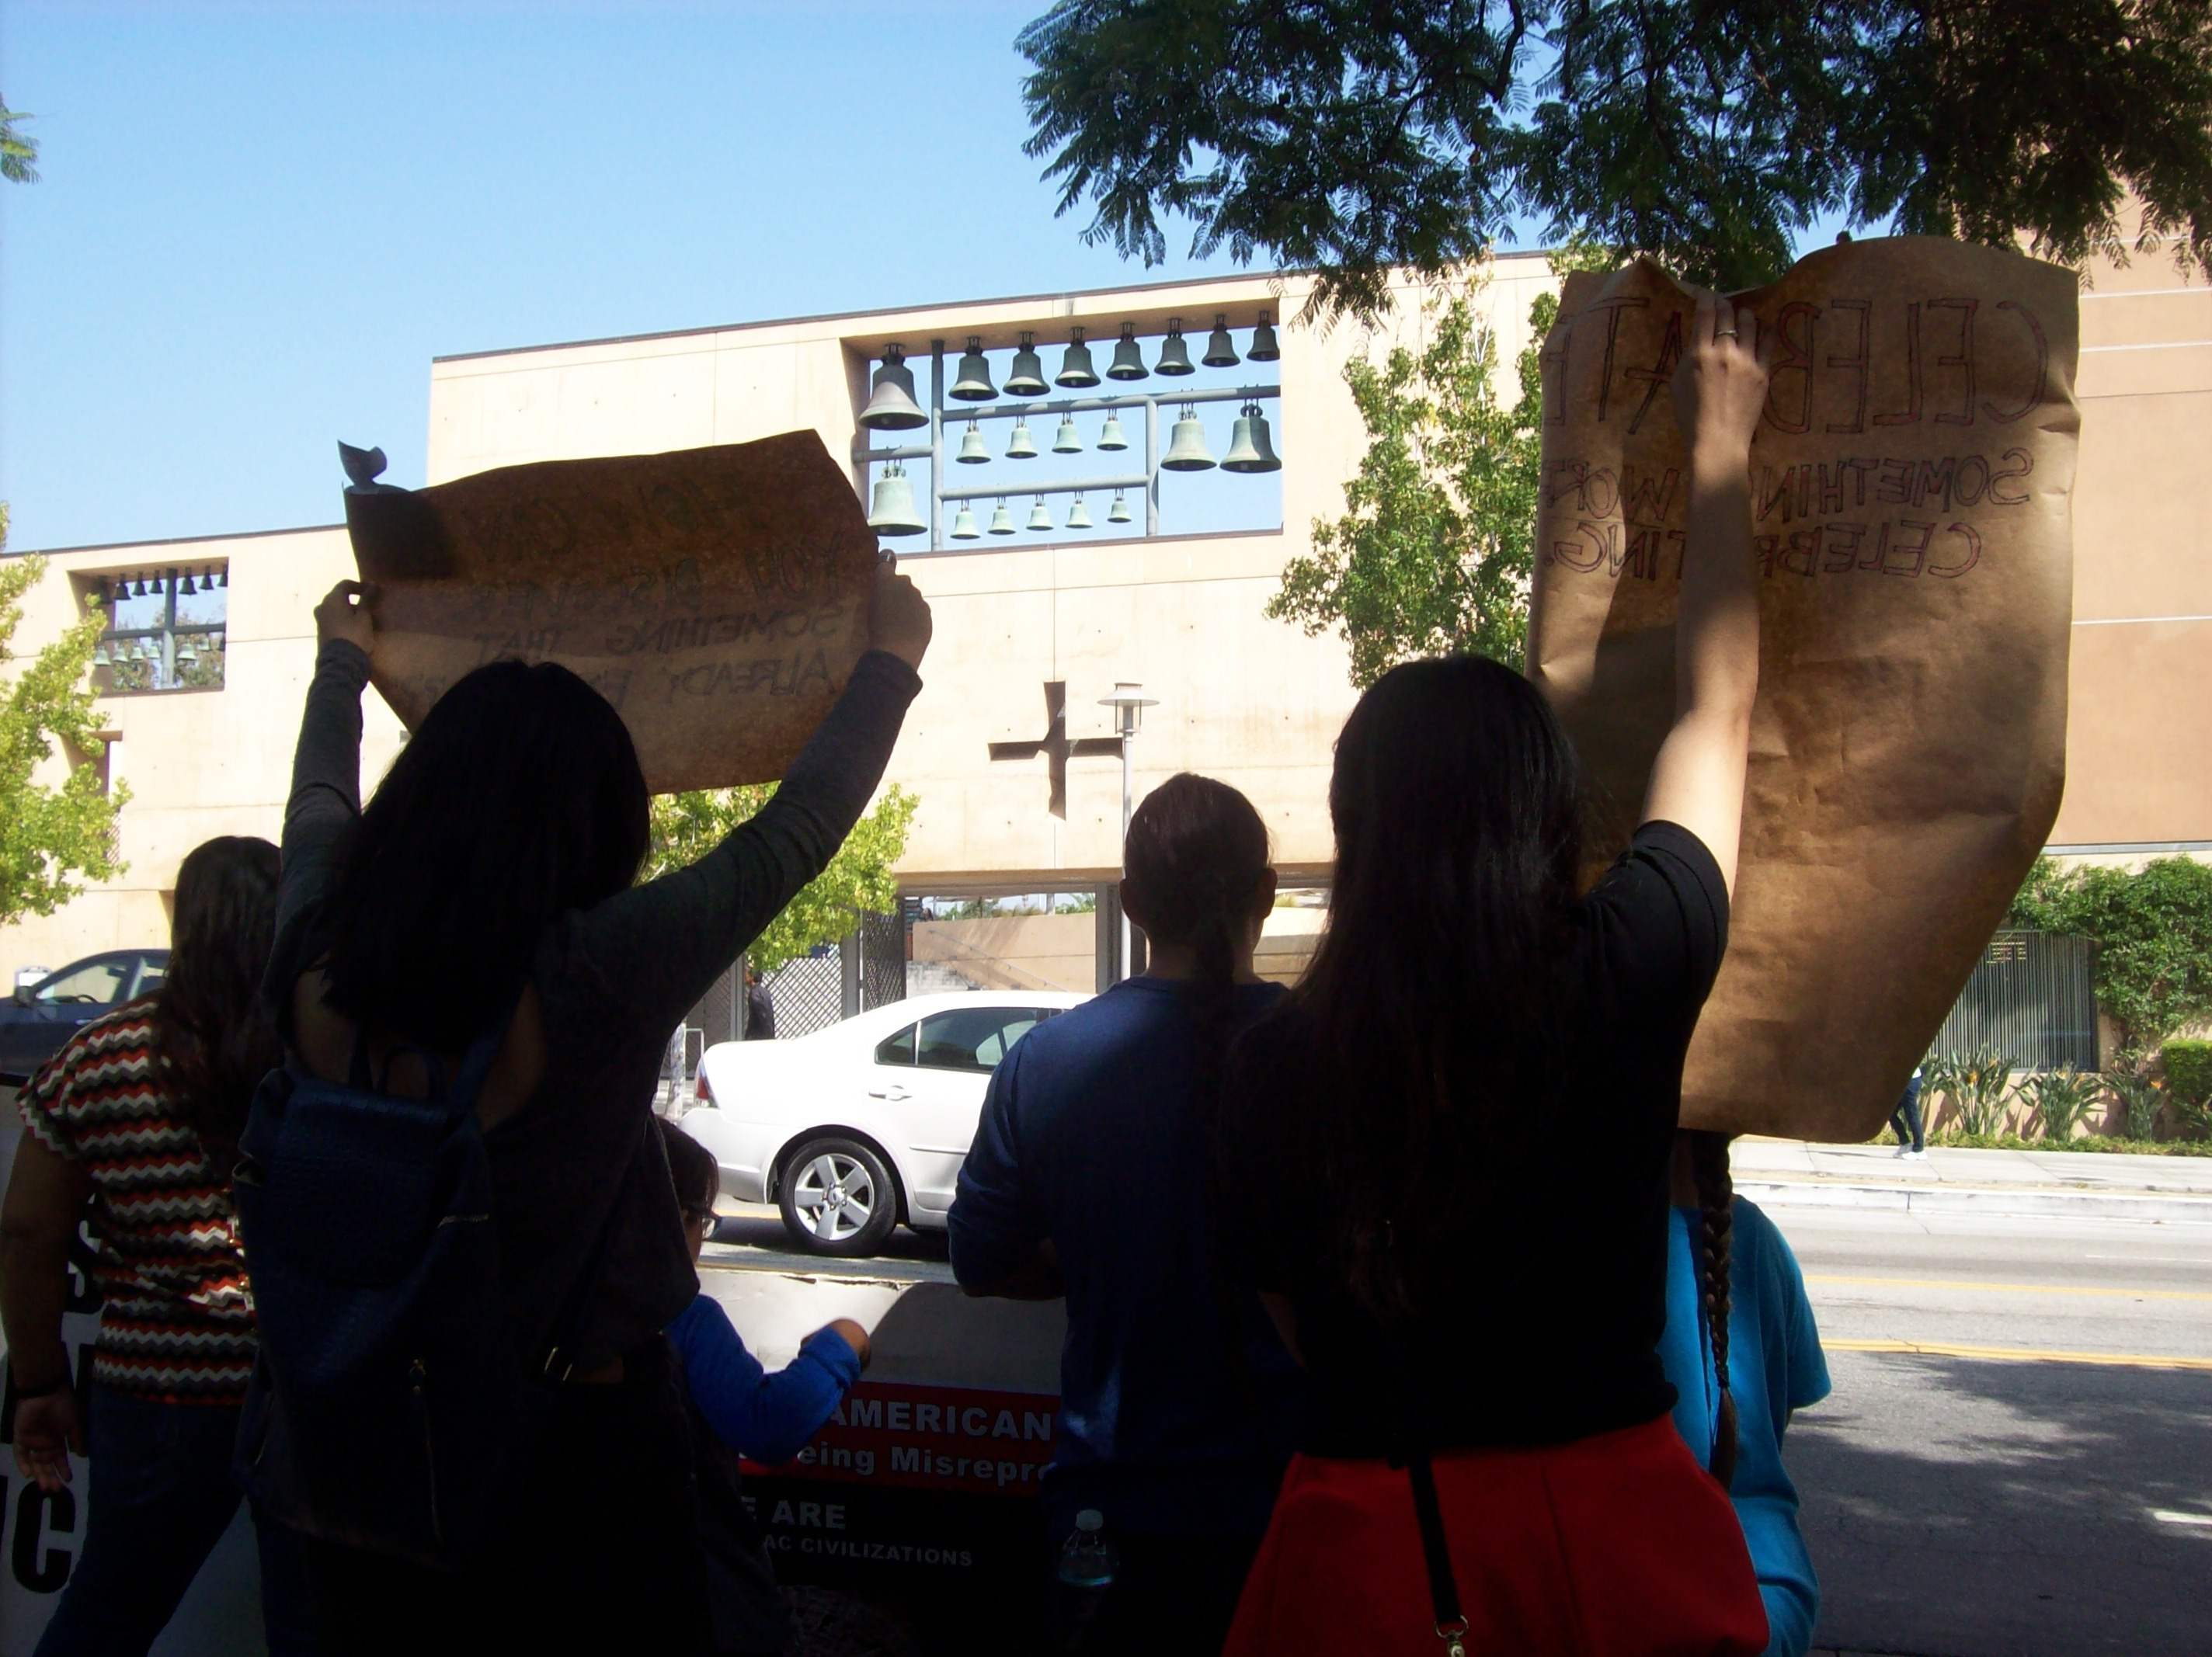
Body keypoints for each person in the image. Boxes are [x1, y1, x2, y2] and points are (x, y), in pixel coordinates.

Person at [1216, 292, 1774, 1656]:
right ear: (1545, 808)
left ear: (1359, 822)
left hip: (1371, 1557)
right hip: (1614, 1537)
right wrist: (1721, 442)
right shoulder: (1627, 960)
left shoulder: (1275, 1058)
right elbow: (1720, 706)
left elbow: (1289, 1314)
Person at [259, 559, 930, 1649]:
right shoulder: (593, 974)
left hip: (345, 1464)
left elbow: (318, 806)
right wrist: (891, 660)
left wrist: (341, 665)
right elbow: (791, 835)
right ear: (596, 823)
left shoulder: (313, 951)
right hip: (571, 1475)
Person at [949, 773, 1306, 1655]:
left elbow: (980, 1260)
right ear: (1266, 891)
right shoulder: (1332, 1052)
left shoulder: (1044, 1063)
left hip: (1109, 1508)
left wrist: (1098, 1259)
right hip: (1297, 1508)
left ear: (1131, 903)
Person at [1, 835, 316, 1655]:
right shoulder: (319, 1060)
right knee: (313, 1627)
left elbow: (29, 1230)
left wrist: (37, 1381)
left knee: (107, 1614)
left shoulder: (100, 1056)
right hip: (304, 1386)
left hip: (156, 1394)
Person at [658, 1118, 871, 1655]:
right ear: (677, 1220)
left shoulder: (551, 1309)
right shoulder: (685, 1321)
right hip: (706, 1594)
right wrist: (843, 1345)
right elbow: (769, 1426)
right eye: (701, 1221)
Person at [1661, 1131, 1833, 1657]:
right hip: (1774, 1593)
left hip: (1659, 1600)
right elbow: (1786, 1404)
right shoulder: (1757, 1236)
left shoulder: (1580, 1247)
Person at [1890, 1062, 1927, 1159]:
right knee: (1890, 1113)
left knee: (1912, 1115)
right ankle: (1905, 1144)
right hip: (1903, 1081)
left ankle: (1919, 1149)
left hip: (1911, 1081)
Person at [743, 964, 776, 1040]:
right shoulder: (765, 992)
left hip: (757, 1037)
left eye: (747, 973)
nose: (745, 976)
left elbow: (760, 1016)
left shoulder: (754, 994)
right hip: (766, 1036)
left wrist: (749, 1036)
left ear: (752, 976)